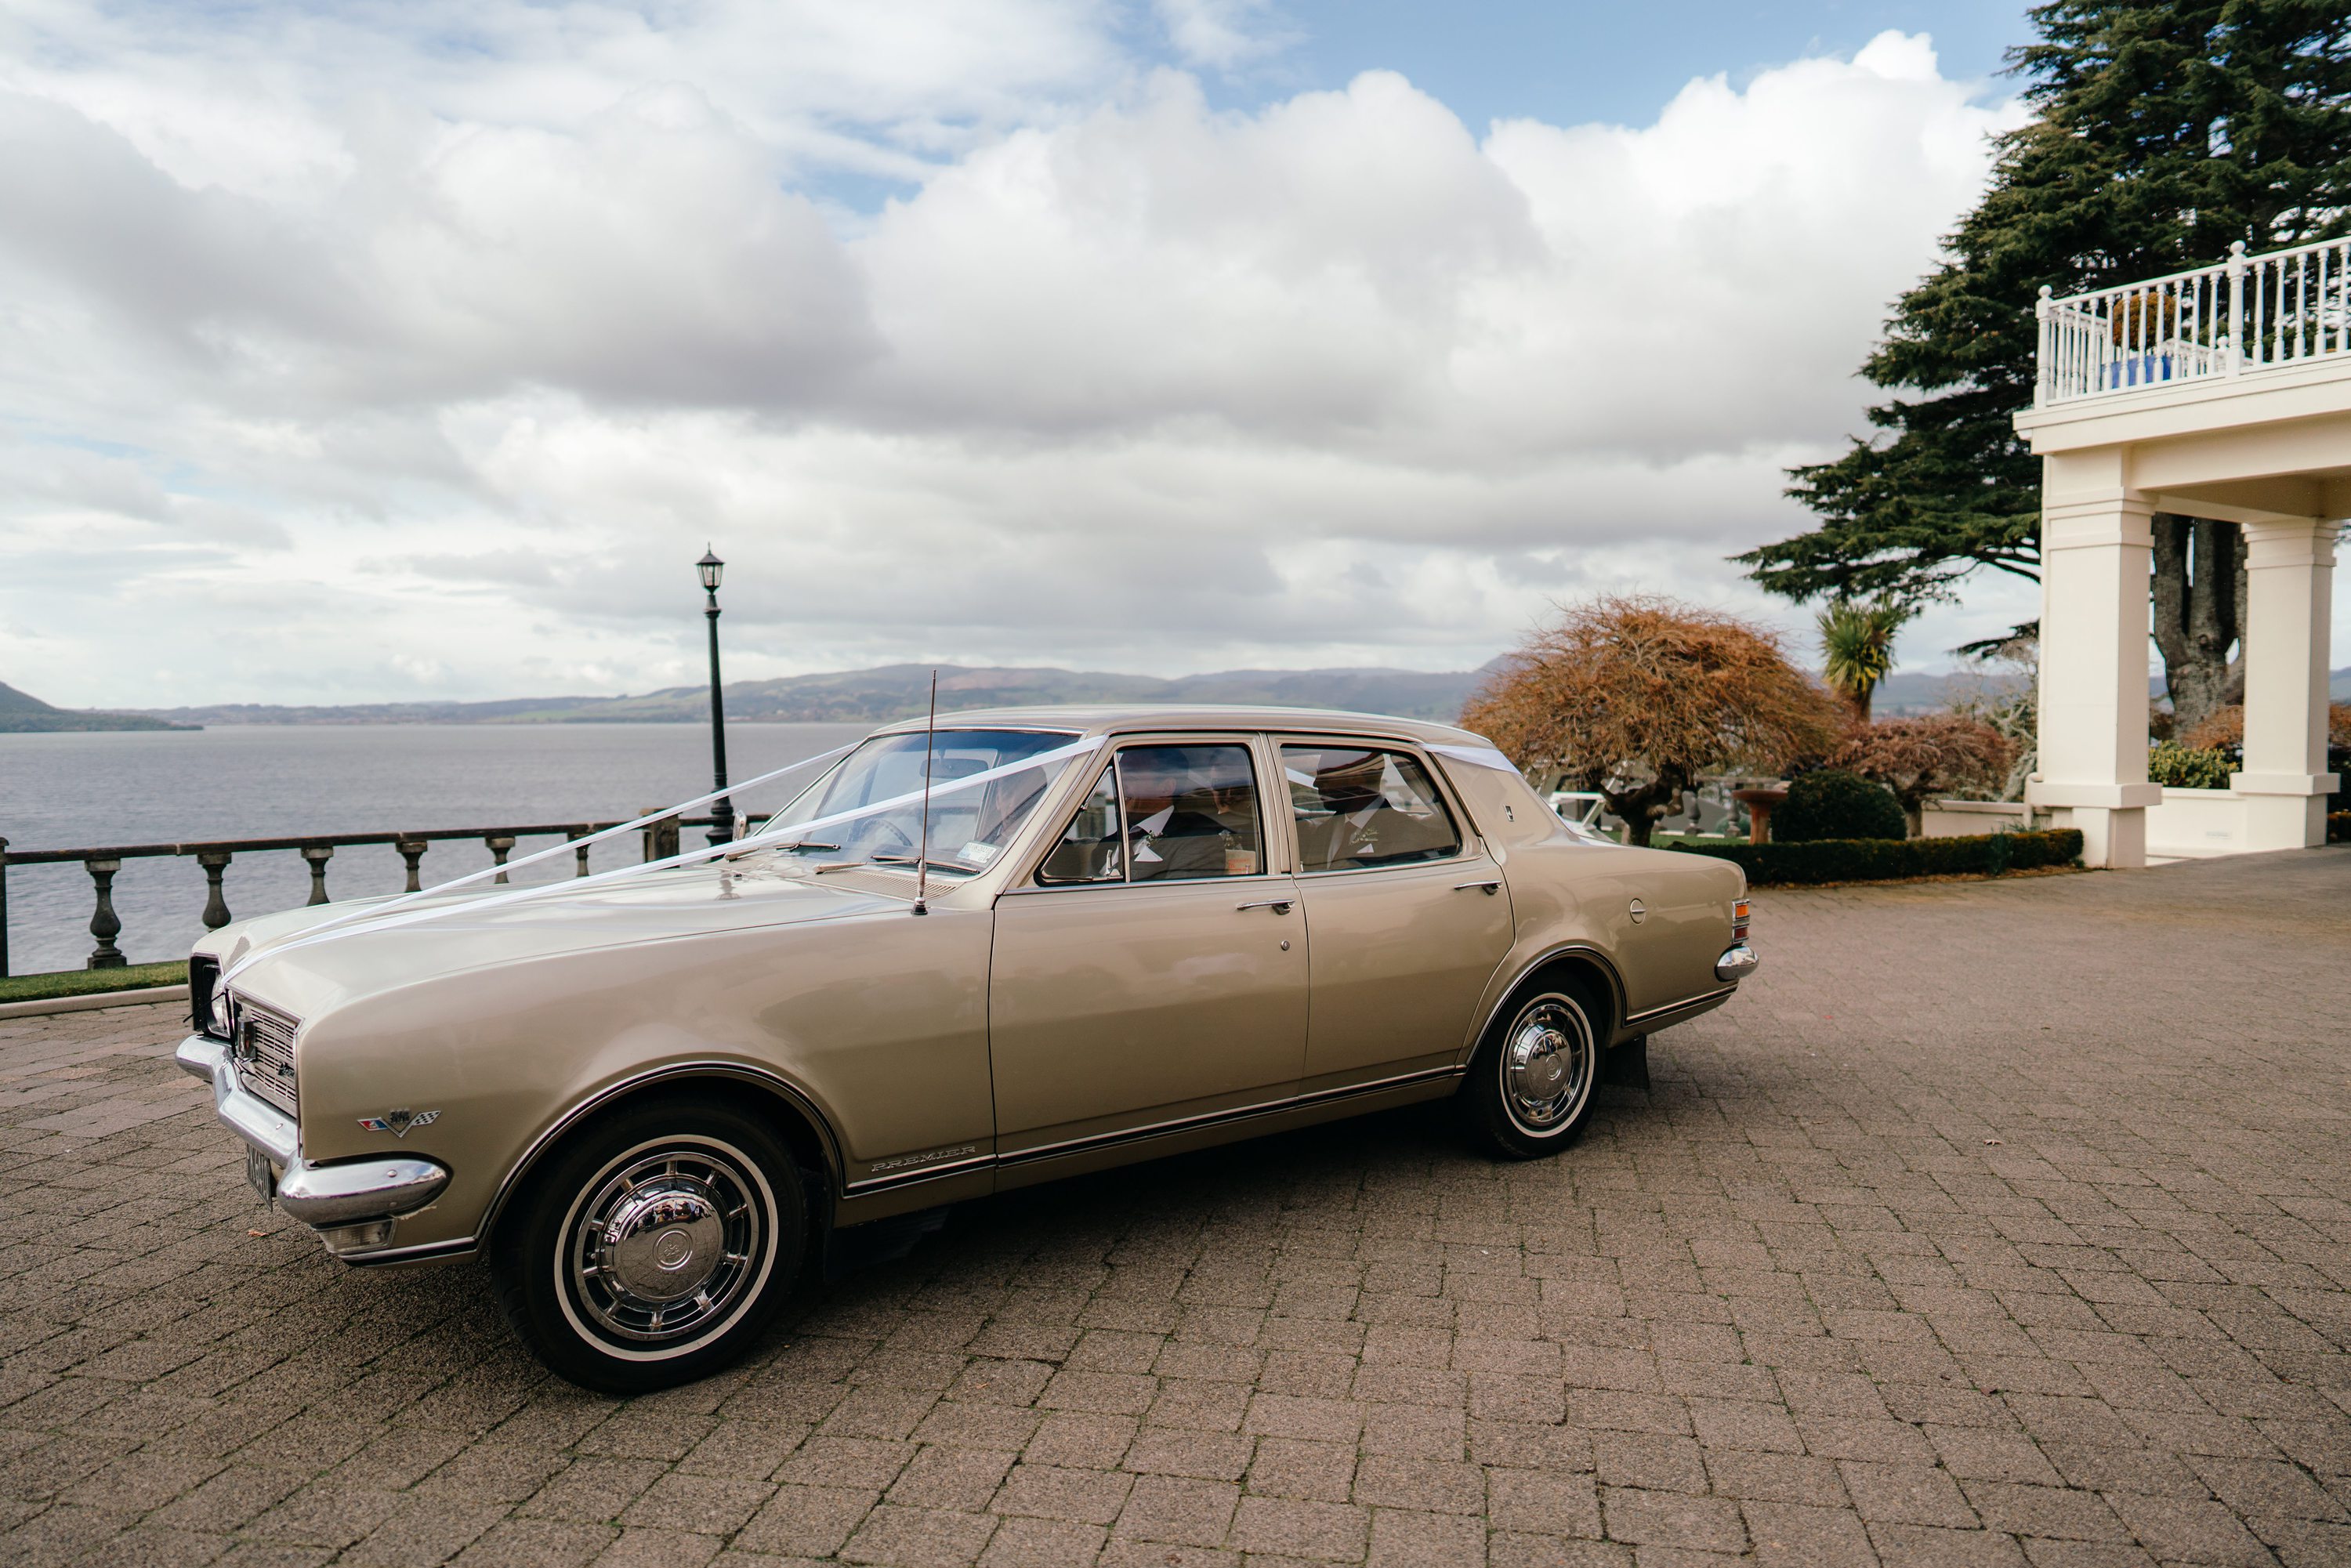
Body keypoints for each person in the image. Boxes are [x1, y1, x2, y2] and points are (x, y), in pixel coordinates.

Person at [1119, 750, 1233, 880]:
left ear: (1166, 787)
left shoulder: (1199, 841)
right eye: (1118, 777)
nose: (1121, 786)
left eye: (1130, 778)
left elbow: (1180, 898)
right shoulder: (1109, 841)